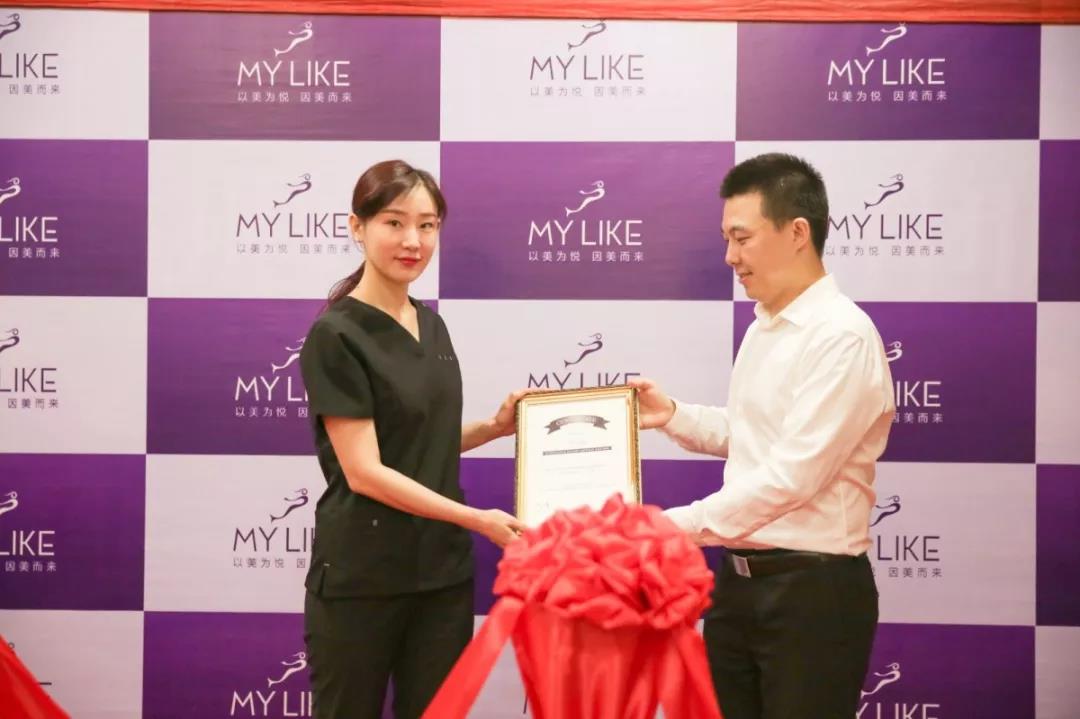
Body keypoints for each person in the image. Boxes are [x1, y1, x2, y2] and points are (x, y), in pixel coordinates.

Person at [630, 153, 896, 719]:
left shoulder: (842, 336)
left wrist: (669, 528)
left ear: (797, 232)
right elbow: (752, 434)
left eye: (742, 238)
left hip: (811, 594)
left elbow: (793, 475)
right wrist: (672, 414)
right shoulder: (764, 326)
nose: (730, 256)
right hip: (739, 585)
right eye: (727, 239)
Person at [299, 160, 526, 719]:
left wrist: (493, 428)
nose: (413, 241)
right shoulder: (336, 334)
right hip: (364, 577)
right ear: (357, 227)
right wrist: (477, 520)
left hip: (441, 576)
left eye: (427, 226)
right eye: (395, 223)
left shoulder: (432, 324)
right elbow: (365, 471)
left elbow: (423, 441)